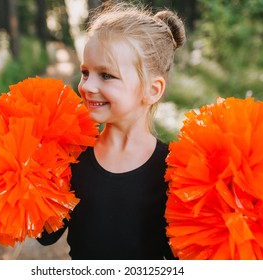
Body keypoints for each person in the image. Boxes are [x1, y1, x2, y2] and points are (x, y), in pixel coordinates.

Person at [37, 1, 185, 260]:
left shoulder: (174, 171)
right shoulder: (71, 157)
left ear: (153, 90)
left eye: (106, 75)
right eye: (85, 72)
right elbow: (46, 235)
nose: (87, 86)